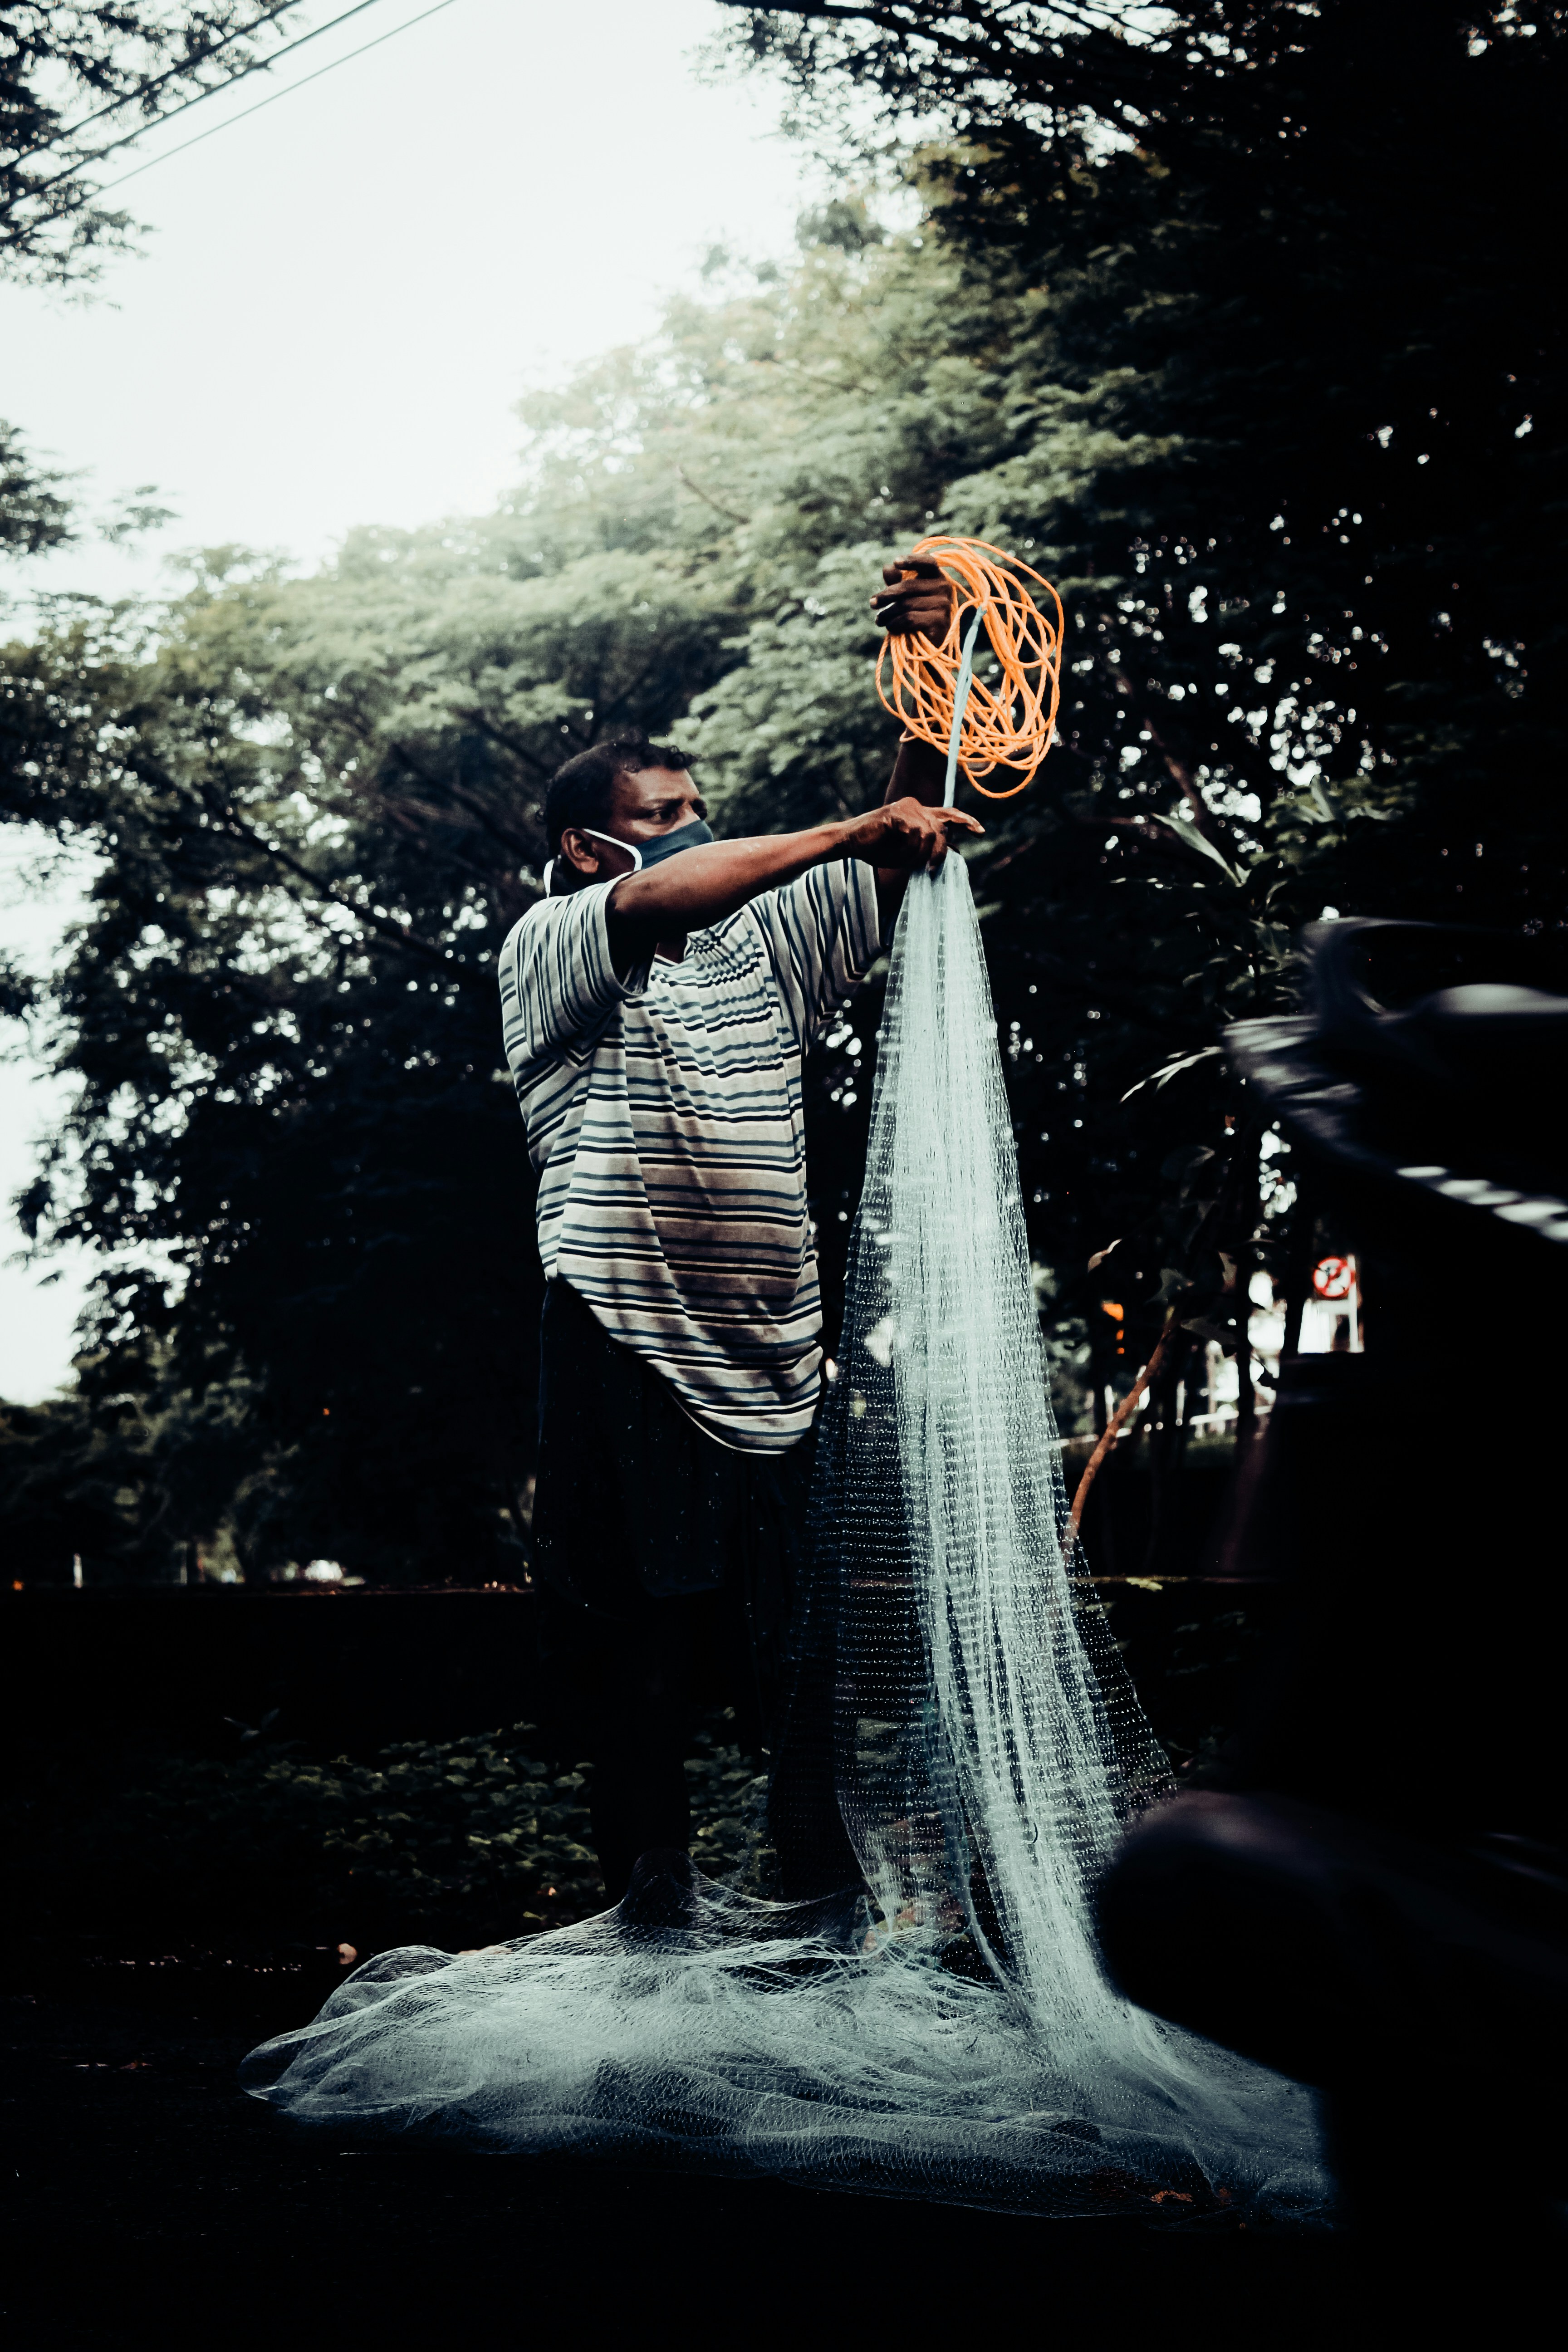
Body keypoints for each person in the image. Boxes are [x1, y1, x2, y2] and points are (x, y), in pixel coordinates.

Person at [498, 555, 977, 1901]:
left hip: (777, 1349)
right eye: (661, 816)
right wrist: (845, 831)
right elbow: (678, 894)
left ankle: (813, 1903)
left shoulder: (767, 946)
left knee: (802, 1649)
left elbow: (902, 836)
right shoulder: (558, 934)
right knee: (644, 1643)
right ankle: (652, 1912)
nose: (689, 833)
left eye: (699, 812)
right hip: (627, 1334)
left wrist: (935, 667)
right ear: (593, 846)